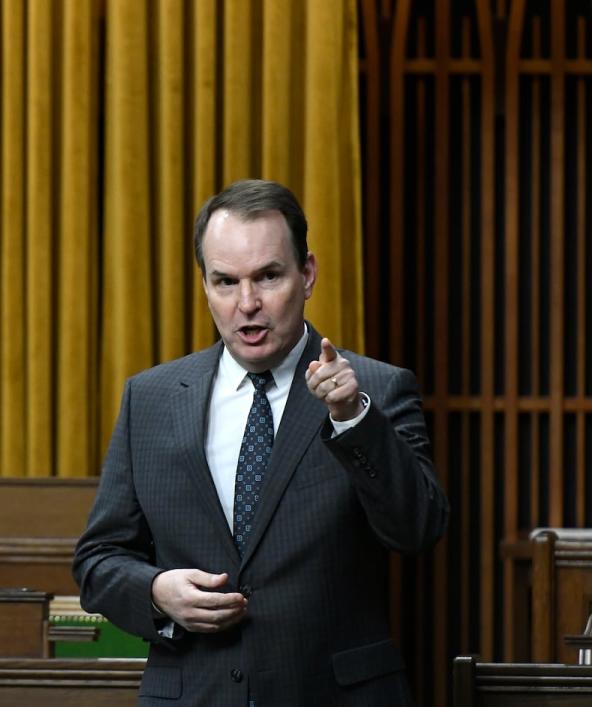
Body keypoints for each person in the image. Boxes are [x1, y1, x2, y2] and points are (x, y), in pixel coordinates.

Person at [72, 179, 449, 706]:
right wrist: (158, 593)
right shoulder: (150, 398)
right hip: (193, 693)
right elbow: (98, 560)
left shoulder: (376, 389)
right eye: (226, 282)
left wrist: (352, 419)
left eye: (268, 276)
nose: (247, 303)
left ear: (307, 274)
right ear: (205, 286)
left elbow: (418, 530)